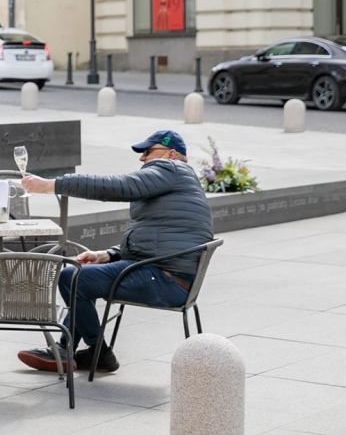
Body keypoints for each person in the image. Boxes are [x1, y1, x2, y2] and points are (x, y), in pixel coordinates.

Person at [16, 130, 214, 374]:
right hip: (168, 276)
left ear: (171, 153)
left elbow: (119, 186)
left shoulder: (170, 170)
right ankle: (69, 350)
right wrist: (107, 255)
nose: (142, 158)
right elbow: (153, 239)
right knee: (81, 275)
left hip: (163, 279)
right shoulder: (179, 182)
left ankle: (97, 353)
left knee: (71, 277)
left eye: (147, 151)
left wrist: (52, 185)